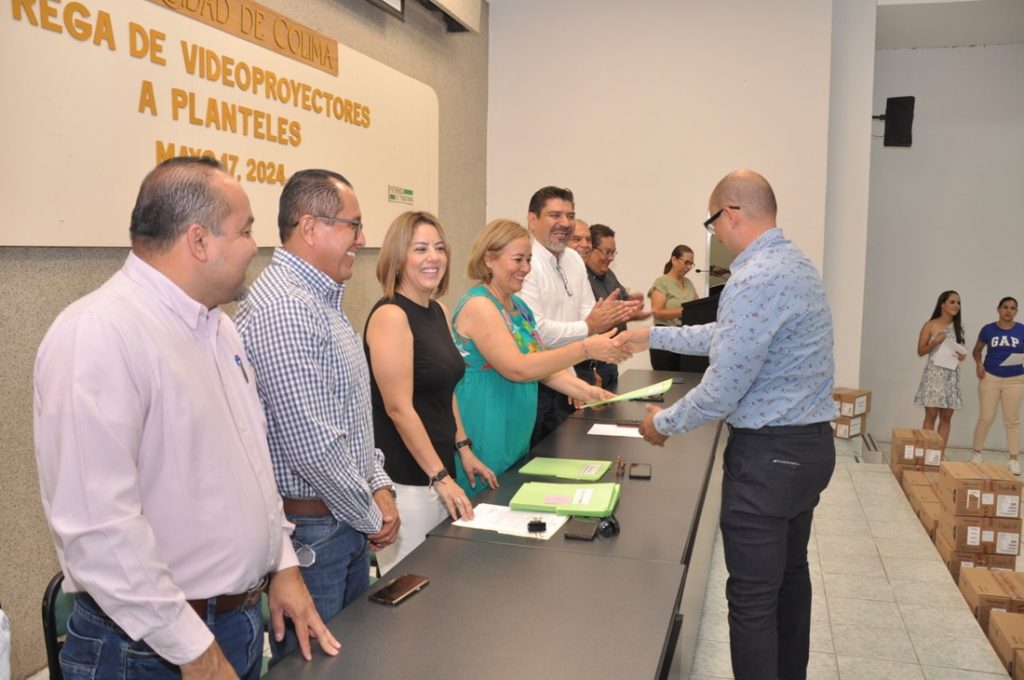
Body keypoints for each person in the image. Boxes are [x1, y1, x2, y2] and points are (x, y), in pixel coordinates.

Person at [34, 157, 338, 680]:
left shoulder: (219, 330)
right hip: (149, 651)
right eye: (245, 231)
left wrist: (283, 565)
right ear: (199, 241)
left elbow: (251, 466)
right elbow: (100, 529)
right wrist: (194, 650)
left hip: (234, 627)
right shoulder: (99, 335)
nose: (256, 247)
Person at [615, 170, 836, 680]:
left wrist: (664, 422)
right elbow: (731, 335)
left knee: (753, 600)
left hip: (769, 459)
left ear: (731, 213)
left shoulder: (754, 277)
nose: (714, 233)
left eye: (712, 222)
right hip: (808, 450)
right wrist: (653, 337)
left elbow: (723, 387)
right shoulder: (794, 263)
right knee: (790, 580)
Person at [235, 169, 399, 664]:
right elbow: (313, 446)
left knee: (349, 662)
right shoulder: (287, 308)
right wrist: (371, 513)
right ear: (311, 227)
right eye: (354, 225)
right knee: (320, 668)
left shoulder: (320, 299)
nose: (362, 240)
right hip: (314, 533)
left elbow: (352, 418)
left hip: (339, 520)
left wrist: (379, 483)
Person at [451, 219, 628, 494]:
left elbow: (542, 364)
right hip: (486, 427)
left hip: (515, 431)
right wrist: (585, 348)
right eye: (518, 260)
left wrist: (586, 391)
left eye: (529, 259)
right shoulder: (480, 306)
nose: (526, 268)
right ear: (489, 259)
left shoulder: (519, 307)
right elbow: (518, 368)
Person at [364, 211, 498, 573]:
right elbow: (398, 409)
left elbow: (444, 386)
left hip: (439, 470)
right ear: (397, 259)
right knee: (412, 587)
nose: (433, 257)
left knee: (442, 581)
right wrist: (439, 477)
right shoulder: (391, 316)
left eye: (439, 248)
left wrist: (463, 448)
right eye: (420, 249)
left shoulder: (437, 309)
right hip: (407, 480)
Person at [518, 186, 640, 446]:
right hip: (532, 383)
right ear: (532, 220)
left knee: (563, 455)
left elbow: (586, 312)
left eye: (570, 215)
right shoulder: (525, 264)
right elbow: (537, 331)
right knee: (529, 458)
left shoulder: (573, 259)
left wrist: (606, 321)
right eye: (555, 215)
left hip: (566, 377)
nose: (565, 223)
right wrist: (589, 327)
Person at [578, 223, 648, 390]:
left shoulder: (609, 275)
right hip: (588, 364)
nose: (610, 258)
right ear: (591, 249)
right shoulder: (579, 278)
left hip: (610, 361)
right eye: (606, 252)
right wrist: (590, 370)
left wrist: (634, 309)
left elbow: (623, 304)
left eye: (613, 252)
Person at [969, 296, 1024, 474]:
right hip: (990, 377)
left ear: (1016, 311)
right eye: (1005, 307)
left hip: (1015, 379)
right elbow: (976, 351)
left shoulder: (1022, 330)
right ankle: (976, 453)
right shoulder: (988, 329)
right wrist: (979, 364)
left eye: (1012, 308)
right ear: (998, 309)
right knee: (986, 417)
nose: (1008, 310)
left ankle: (1013, 460)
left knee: (1012, 420)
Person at [915, 290, 967, 446]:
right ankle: (927, 453)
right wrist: (936, 341)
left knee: (946, 418)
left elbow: (960, 351)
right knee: (930, 416)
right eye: (952, 302)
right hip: (934, 377)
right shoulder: (930, 325)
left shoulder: (959, 327)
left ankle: (939, 454)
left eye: (958, 303)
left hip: (951, 378)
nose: (956, 305)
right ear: (942, 304)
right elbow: (921, 351)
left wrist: (962, 357)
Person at [648, 245, 700, 371]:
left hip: (684, 339)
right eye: (686, 262)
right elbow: (657, 312)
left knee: (684, 378)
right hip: (664, 339)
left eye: (691, 264)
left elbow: (698, 307)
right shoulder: (662, 282)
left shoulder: (688, 283)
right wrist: (683, 311)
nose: (688, 267)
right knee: (666, 379)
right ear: (674, 260)